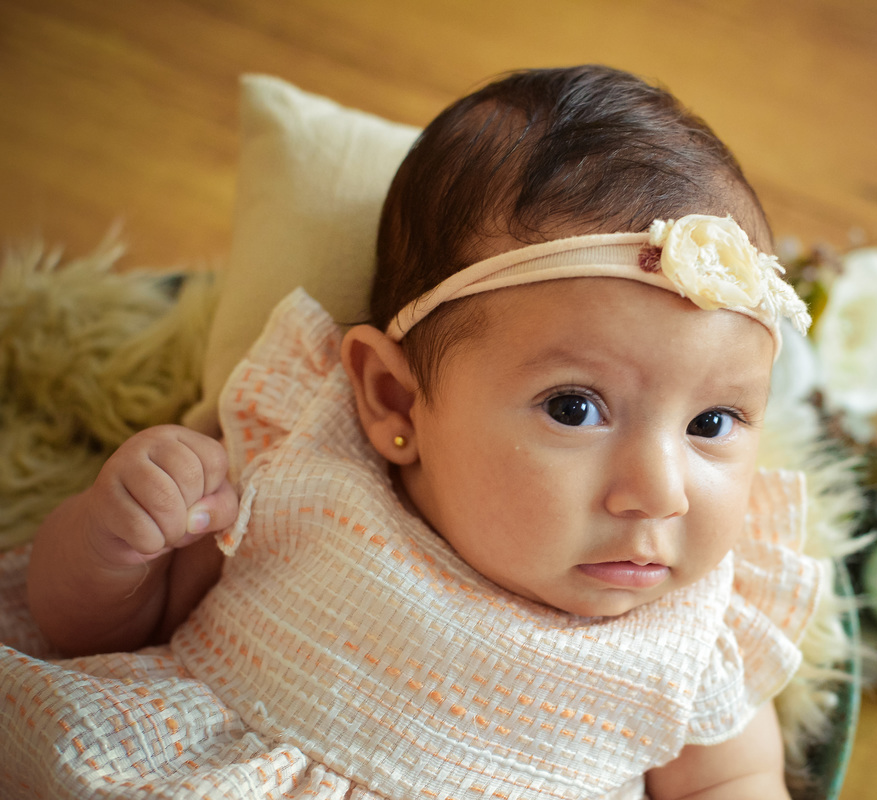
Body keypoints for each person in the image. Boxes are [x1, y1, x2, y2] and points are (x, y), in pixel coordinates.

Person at [6, 65, 819, 799]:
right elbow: (88, 631)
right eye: (574, 408)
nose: (659, 492)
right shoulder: (303, 471)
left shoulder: (697, 633)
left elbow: (733, 783)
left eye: (711, 423)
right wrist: (115, 541)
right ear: (396, 401)